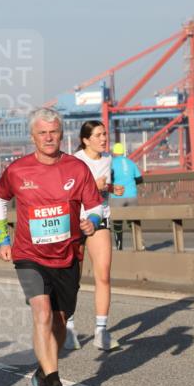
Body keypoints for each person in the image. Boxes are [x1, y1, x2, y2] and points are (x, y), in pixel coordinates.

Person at [0, 108, 103, 386]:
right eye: (42, 133)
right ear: (33, 137)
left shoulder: (77, 169)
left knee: (60, 322)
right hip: (29, 254)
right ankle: (55, 384)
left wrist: (91, 221)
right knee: (41, 313)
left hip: (68, 255)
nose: (48, 137)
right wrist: (3, 239)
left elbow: (95, 206)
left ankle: (41, 372)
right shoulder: (17, 170)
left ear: (61, 133)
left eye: (53, 131)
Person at [69, 121, 116, 351]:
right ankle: (68, 328)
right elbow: (67, 191)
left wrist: (109, 188)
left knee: (104, 274)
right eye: (98, 135)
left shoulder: (108, 159)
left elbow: (103, 188)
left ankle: (101, 331)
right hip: (76, 222)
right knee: (72, 279)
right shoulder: (74, 161)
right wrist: (93, 187)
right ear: (86, 139)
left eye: (105, 134)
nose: (104, 138)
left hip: (100, 220)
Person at [110, 142, 143, 250]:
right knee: (133, 221)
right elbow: (139, 179)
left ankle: (119, 247)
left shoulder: (111, 163)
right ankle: (139, 245)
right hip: (132, 195)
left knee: (117, 223)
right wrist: (129, 184)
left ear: (114, 152)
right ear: (123, 152)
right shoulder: (131, 162)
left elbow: (109, 178)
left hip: (117, 197)